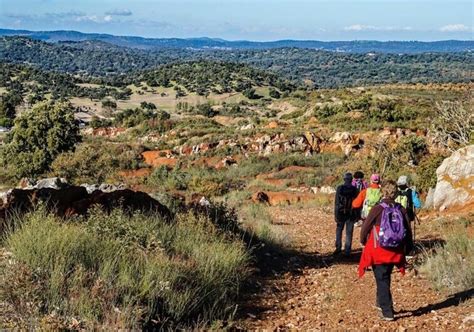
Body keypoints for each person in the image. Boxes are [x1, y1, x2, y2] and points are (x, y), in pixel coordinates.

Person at [358, 180, 414, 321]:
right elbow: (408, 230)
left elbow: (365, 228)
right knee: (385, 276)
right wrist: (408, 249)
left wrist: (363, 241)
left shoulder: (377, 209)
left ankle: (387, 311)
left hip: (379, 249)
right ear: (395, 193)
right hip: (395, 250)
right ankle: (381, 303)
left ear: (383, 192)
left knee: (381, 278)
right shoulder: (401, 209)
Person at [334, 172, 359, 256]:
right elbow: (357, 204)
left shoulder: (339, 188)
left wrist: (336, 215)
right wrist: (357, 215)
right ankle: (347, 250)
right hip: (351, 213)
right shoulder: (355, 189)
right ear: (352, 180)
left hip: (341, 212)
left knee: (339, 230)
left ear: (344, 179)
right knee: (349, 232)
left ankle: (338, 248)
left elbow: (337, 203)